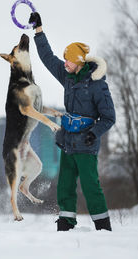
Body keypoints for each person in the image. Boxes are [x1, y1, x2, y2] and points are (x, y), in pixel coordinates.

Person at [28, 12, 116, 231]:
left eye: (68, 60)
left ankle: (103, 225)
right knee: (64, 185)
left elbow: (109, 117)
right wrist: (38, 31)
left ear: (78, 62)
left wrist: (93, 133)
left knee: (90, 186)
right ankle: (66, 221)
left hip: (86, 143)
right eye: (65, 59)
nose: (64, 62)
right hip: (68, 141)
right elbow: (48, 57)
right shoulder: (67, 76)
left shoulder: (97, 85)